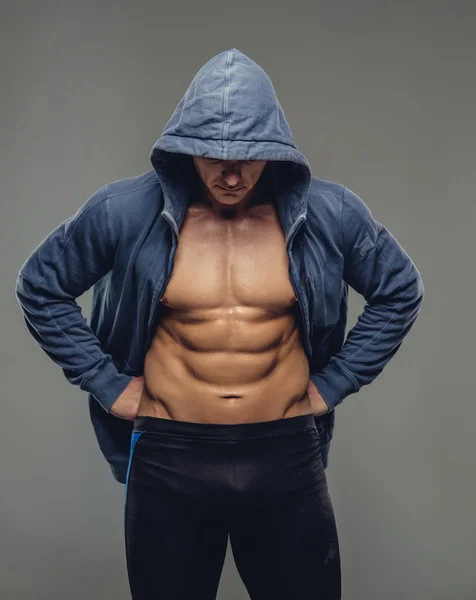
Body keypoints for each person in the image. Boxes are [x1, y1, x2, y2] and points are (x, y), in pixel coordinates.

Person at [15, 48, 424, 599]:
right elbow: (41, 285)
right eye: (213, 158)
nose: (231, 176)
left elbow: (399, 290)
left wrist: (334, 384)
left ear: (274, 150)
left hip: (284, 454)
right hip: (169, 456)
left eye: (248, 158)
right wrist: (107, 384)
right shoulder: (125, 210)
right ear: (186, 147)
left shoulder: (330, 213)